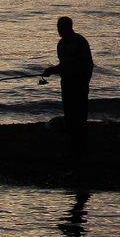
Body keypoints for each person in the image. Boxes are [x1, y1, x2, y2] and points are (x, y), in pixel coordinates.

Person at [40, 16, 94, 157]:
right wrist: (51, 70)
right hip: (66, 82)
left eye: (61, 27)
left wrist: (85, 82)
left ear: (69, 27)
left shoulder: (80, 42)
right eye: (58, 27)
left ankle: (81, 144)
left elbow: (88, 64)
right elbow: (63, 65)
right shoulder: (61, 44)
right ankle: (74, 143)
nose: (59, 30)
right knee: (69, 112)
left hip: (79, 83)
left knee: (80, 114)